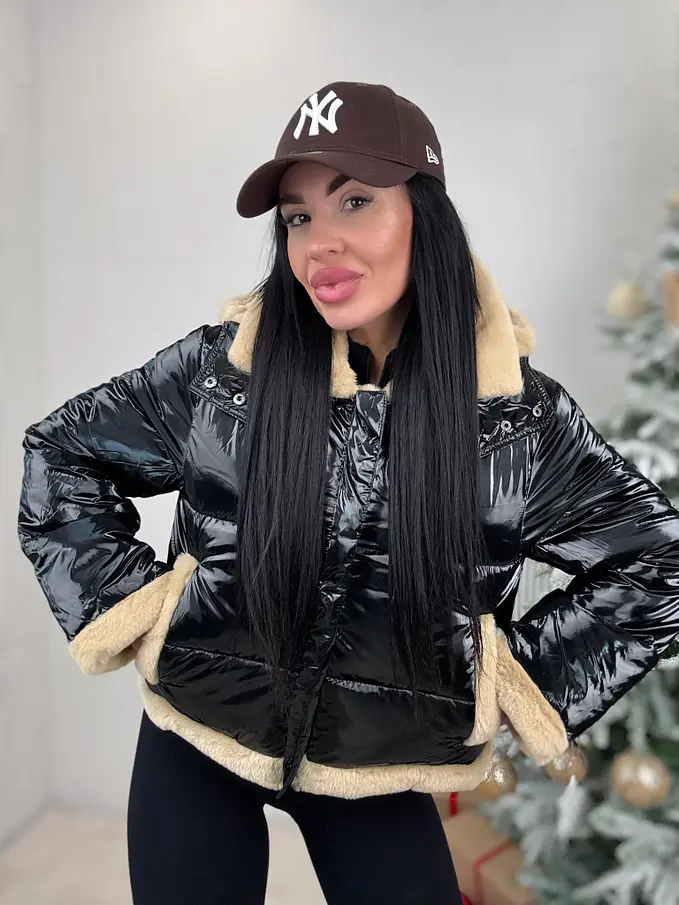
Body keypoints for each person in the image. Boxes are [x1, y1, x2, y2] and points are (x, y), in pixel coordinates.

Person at [17, 80, 679, 905]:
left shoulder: (513, 421)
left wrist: (516, 681)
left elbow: (655, 563)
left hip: (380, 768)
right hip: (194, 741)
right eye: (297, 217)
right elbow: (62, 453)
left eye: (355, 201)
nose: (318, 243)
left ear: (424, 215)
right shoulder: (223, 373)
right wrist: (139, 607)